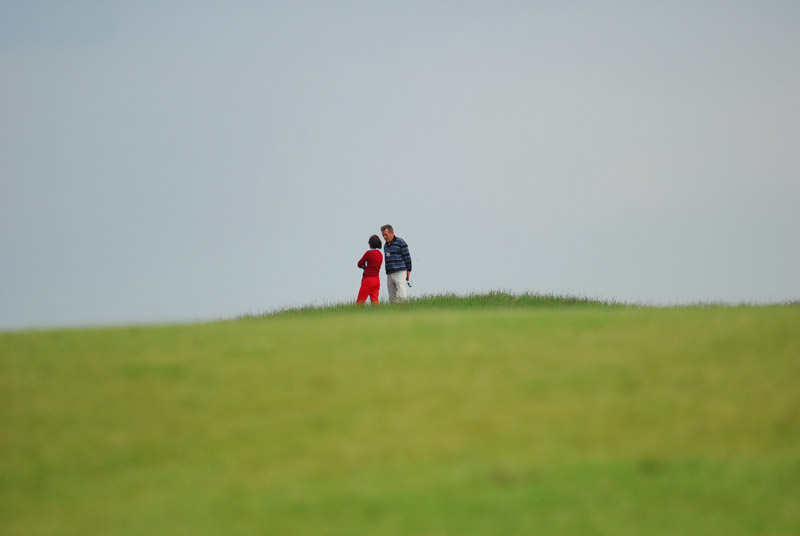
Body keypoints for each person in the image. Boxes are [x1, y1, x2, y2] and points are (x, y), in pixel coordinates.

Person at [380, 224, 412, 303]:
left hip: (399, 272)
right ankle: (394, 310)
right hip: (389, 273)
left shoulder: (400, 242)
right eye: (383, 235)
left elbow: (407, 257)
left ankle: (405, 308)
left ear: (392, 233)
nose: (384, 237)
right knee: (392, 297)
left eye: (386, 235)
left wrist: (408, 271)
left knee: (401, 294)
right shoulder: (385, 246)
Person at [356, 234, 383, 304]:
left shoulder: (369, 253)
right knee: (375, 300)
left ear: (371, 244)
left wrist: (364, 267)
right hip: (376, 279)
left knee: (360, 301)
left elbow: (359, 264)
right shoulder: (380, 254)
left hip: (368, 279)